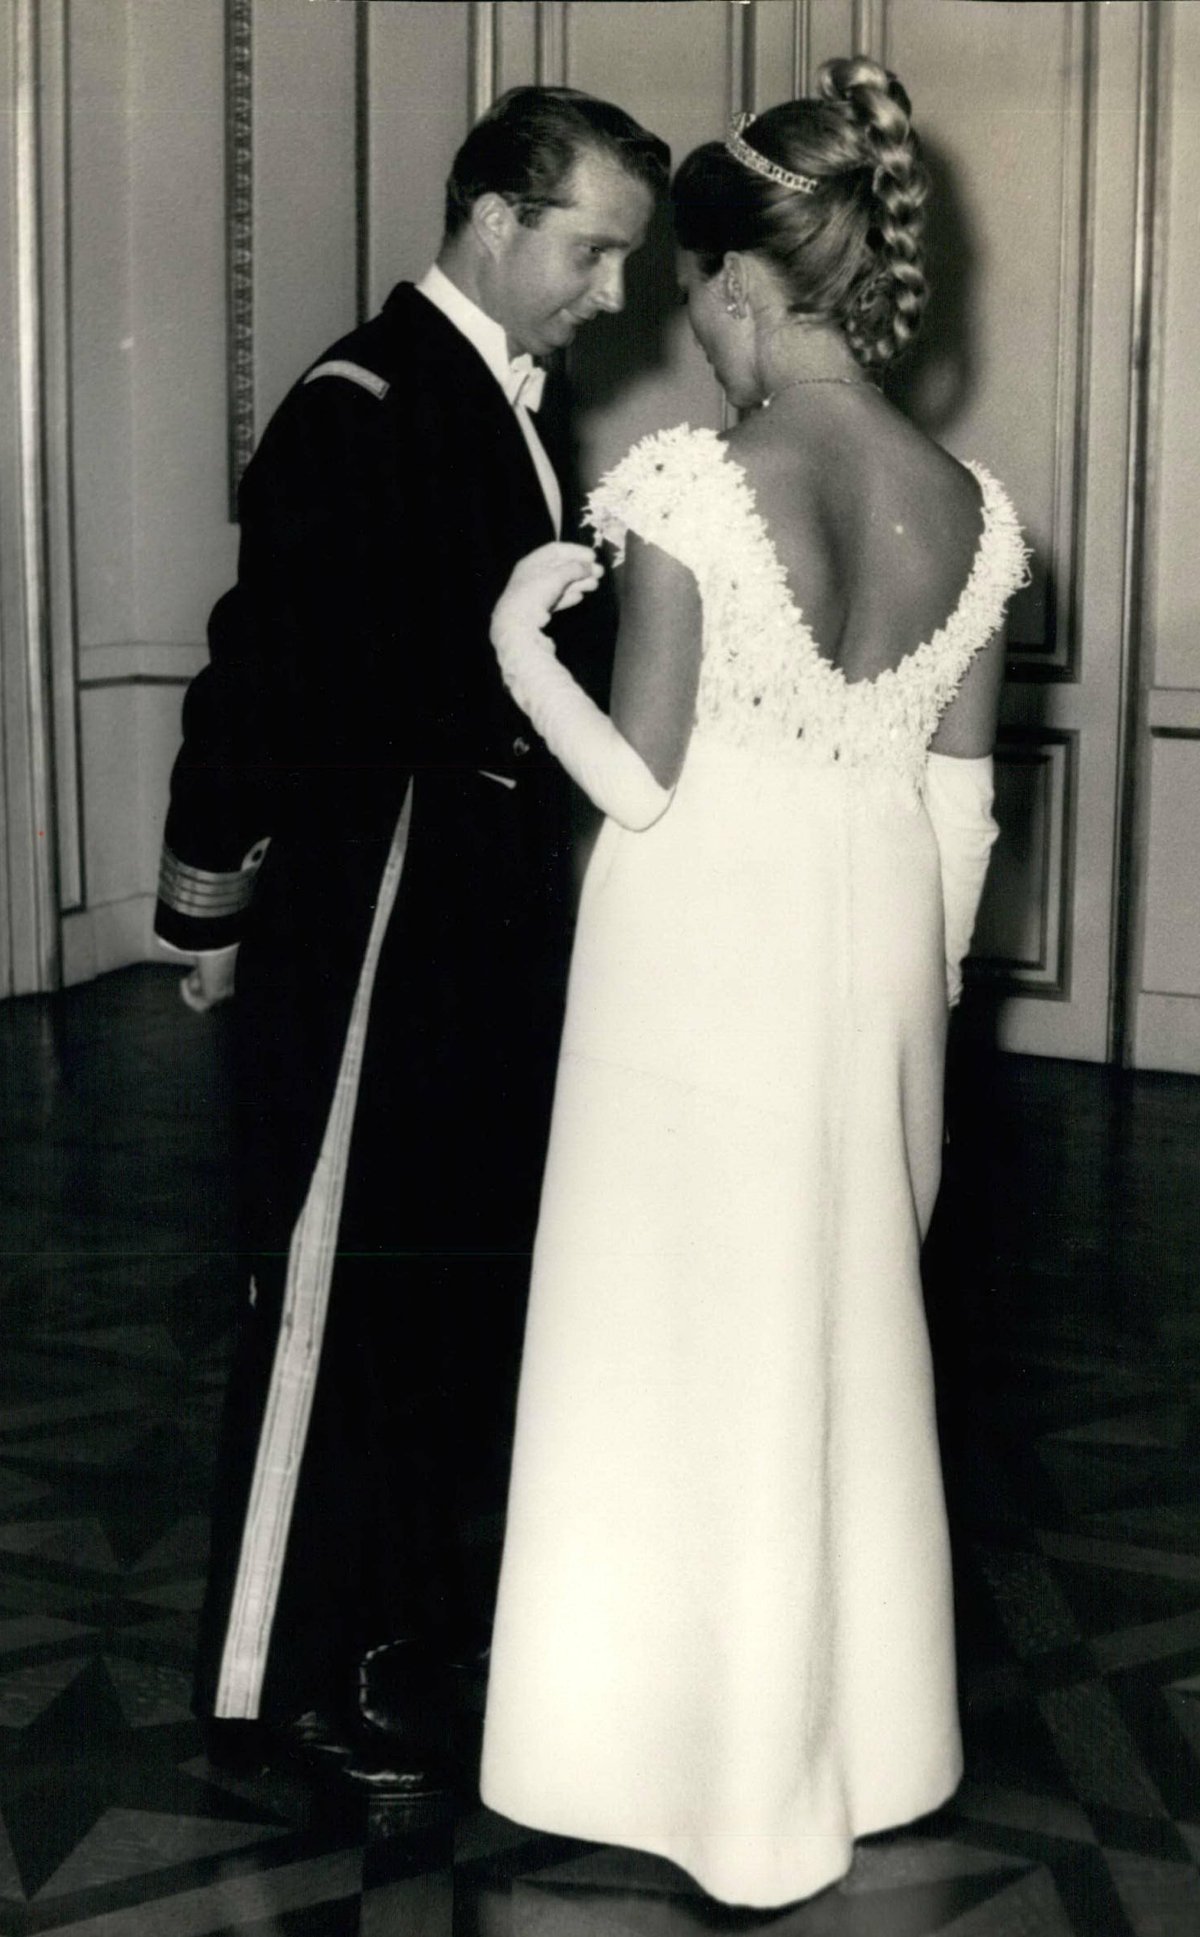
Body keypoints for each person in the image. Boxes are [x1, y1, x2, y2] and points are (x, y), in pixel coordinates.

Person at [478, 58, 1029, 1906]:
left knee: (676, 1336)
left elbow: (637, 780)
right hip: (874, 946)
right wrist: (912, 1057)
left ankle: (664, 1760)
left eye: (691, 298)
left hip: (697, 950)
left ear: (731, 280)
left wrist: (514, 639)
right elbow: (961, 826)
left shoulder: (694, 485)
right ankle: (859, 1747)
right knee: (832, 1328)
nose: (686, 337)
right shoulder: (972, 504)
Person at [154, 85, 668, 1782]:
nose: (611, 297)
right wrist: (204, 900)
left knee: (427, 1295)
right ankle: (269, 1694)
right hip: (370, 924)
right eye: (591, 255)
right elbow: (259, 682)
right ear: (492, 216)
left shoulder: (506, 401)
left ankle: (388, 1632)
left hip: (469, 924)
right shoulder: (360, 403)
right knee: (326, 1300)